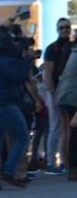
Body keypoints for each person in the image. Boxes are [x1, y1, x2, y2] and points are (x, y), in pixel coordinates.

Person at [0, 28, 40, 190]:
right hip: (4, 104)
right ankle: (9, 171)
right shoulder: (7, 61)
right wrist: (26, 60)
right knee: (22, 138)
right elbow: (18, 78)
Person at [41, 17, 73, 174]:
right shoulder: (52, 48)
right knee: (55, 128)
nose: (65, 30)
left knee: (66, 129)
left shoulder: (73, 47)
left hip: (69, 92)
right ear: (57, 30)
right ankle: (50, 162)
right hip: (55, 91)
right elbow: (48, 73)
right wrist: (52, 93)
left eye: (67, 27)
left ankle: (65, 162)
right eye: (61, 28)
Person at [54, 41, 77, 180]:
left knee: (69, 132)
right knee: (74, 132)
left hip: (65, 94)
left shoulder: (73, 51)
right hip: (72, 95)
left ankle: (69, 166)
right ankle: (72, 168)